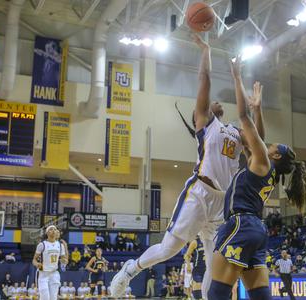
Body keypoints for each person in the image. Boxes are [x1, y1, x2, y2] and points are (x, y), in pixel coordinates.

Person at [110, 33, 266, 299]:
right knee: (169, 248)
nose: (211, 101)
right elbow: (204, 81)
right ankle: (129, 270)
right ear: (198, 118)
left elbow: (259, 143)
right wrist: (206, 50)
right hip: (199, 193)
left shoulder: (233, 131)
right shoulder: (207, 126)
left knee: (214, 262)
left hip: (223, 203)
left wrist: (257, 110)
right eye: (204, 106)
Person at [206, 55, 306, 300]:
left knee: (217, 294)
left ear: (274, 155)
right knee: (260, 296)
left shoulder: (263, 161)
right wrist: (259, 110)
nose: (269, 144)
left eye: (273, 145)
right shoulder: (267, 169)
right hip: (257, 231)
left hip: (240, 224)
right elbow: (258, 139)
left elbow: (243, 119)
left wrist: (237, 77)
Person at [32, 225, 68, 300]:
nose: (53, 230)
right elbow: (34, 260)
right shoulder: (42, 244)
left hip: (54, 273)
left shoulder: (60, 245)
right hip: (43, 273)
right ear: (47, 233)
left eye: (55, 229)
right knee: (45, 297)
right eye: (51, 229)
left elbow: (64, 260)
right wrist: (37, 264)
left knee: (53, 298)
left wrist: (64, 260)